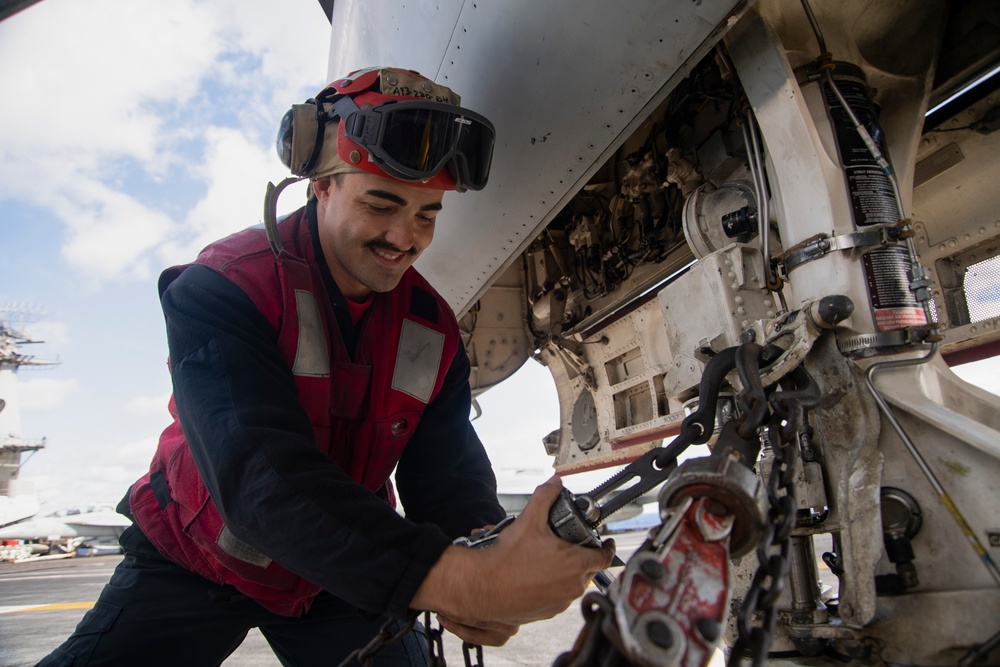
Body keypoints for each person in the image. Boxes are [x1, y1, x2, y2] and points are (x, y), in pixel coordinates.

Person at [38, 67, 615, 666]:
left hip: (338, 578)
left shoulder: (433, 327)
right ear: (321, 188)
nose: (405, 237)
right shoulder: (221, 289)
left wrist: (482, 551)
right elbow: (258, 475)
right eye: (381, 204)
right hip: (196, 562)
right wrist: (454, 579)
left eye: (427, 214)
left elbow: (445, 473)